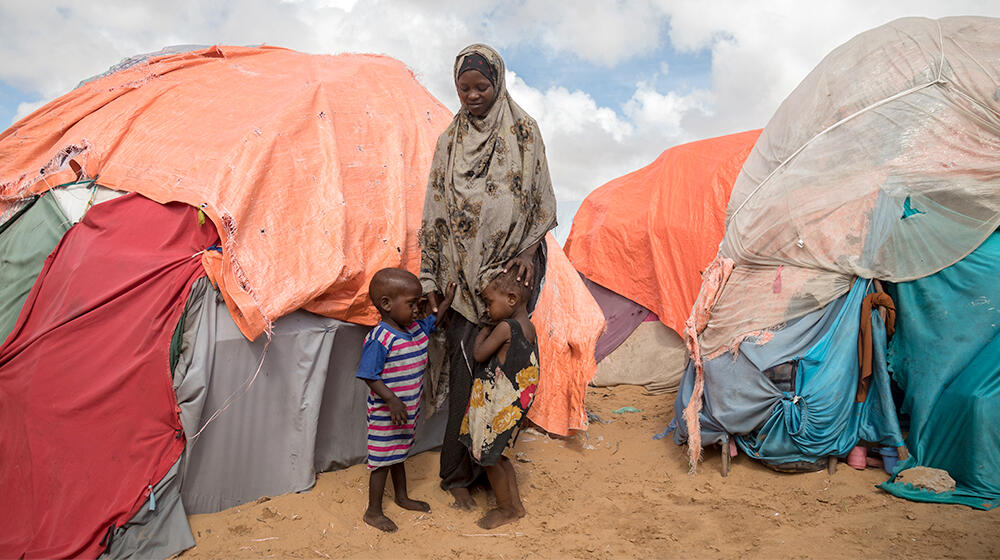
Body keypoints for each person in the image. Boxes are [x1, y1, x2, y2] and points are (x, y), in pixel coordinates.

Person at [418, 43, 556, 510]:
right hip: (462, 284)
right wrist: (433, 280)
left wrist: (531, 251)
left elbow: (539, 203)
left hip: (510, 280)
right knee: (464, 376)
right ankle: (457, 475)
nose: (473, 95)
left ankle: (490, 471)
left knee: (499, 380)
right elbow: (435, 213)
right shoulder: (448, 144)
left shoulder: (524, 132)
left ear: (499, 83)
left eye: (482, 86)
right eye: (464, 88)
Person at [356, 268, 456, 533]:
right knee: (381, 462)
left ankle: (401, 496)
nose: (417, 310)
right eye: (412, 304)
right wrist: (391, 400)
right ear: (387, 304)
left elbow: (432, 322)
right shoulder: (381, 338)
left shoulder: (414, 330)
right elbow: (368, 374)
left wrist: (445, 303)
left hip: (405, 412)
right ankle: (373, 511)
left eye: (419, 304)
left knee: (398, 454)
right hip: (386, 414)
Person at [459, 269, 539, 529]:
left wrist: (483, 331)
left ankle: (505, 510)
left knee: (489, 459)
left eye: (490, 302)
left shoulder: (505, 327)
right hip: (513, 406)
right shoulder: (530, 329)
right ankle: (516, 506)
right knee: (501, 457)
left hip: (496, 409)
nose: (487, 308)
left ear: (512, 299)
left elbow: (480, 354)